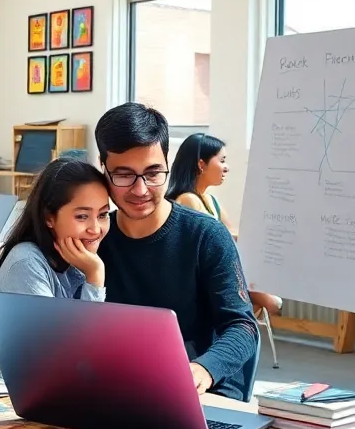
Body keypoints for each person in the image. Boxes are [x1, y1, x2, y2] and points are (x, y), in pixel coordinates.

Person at [93, 103, 259, 401]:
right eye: (124, 175)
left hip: (195, 392)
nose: (141, 189)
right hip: (119, 390)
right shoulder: (94, 239)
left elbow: (242, 327)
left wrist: (203, 369)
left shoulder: (206, 236)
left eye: (154, 173)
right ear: (103, 170)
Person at [0, 158, 110, 368]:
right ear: (49, 218)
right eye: (82, 216)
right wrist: (95, 275)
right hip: (3, 376)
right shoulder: (26, 261)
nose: (96, 228)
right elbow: (62, 352)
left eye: (103, 214)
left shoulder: (79, 254)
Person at [168, 133, 283, 317]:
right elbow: (211, 245)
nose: (226, 167)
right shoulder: (188, 200)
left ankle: (257, 300)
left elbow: (231, 234)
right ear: (201, 164)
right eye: (222, 160)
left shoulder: (210, 200)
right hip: (199, 275)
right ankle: (261, 300)